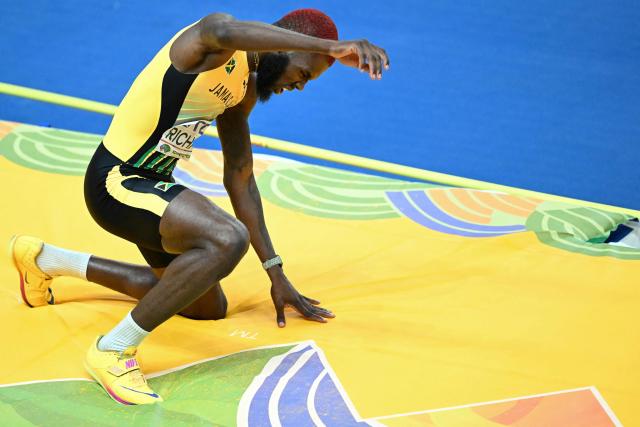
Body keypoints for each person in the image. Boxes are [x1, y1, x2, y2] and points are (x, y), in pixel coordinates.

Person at [9, 8, 389, 405]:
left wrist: (275, 272)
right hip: (116, 182)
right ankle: (113, 350)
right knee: (226, 239)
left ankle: (48, 260)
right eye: (304, 74)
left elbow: (240, 177)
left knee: (204, 305)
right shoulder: (210, 44)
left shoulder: (242, 89)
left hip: (150, 188)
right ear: (282, 45)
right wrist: (331, 46)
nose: (299, 86)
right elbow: (220, 29)